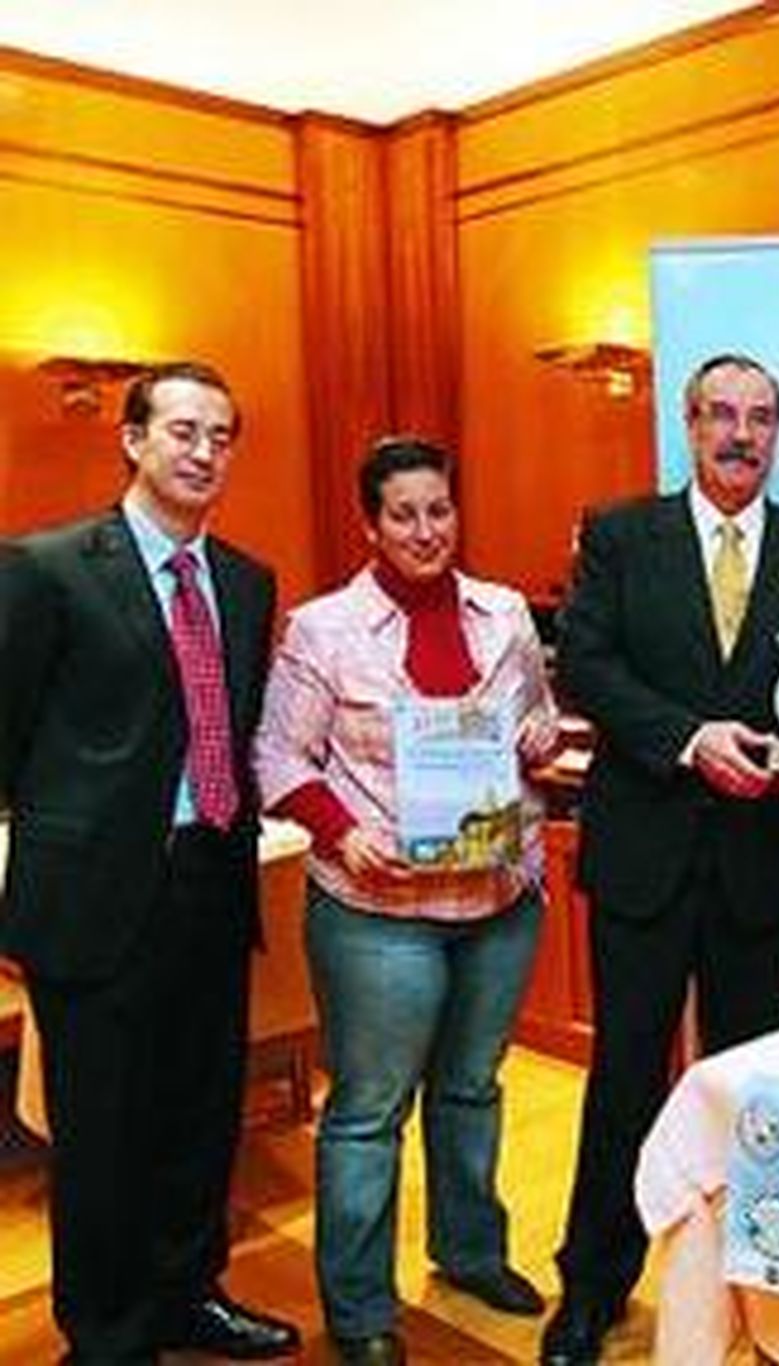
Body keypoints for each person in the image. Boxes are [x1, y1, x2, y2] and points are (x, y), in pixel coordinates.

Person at [541, 354, 779, 1366]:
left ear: (777, 434)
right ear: (688, 422)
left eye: (759, 418)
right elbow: (587, 667)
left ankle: (749, 1298)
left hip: (760, 861)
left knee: (749, 1090)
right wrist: (687, 738)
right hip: (646, 855)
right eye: (721, 413)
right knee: (625, 1079)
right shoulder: (620, 535)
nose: (739, 434)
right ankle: (592, 1288)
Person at [0, 362, 299, 1364]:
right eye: (183, 430)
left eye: (222, 434)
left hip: (212, 879)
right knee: (101, 1133)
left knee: (199, 1115)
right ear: (133, 440)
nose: (204, 451)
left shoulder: (247, 582)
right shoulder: (46, 567)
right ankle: (107, 1333)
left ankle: (187, 1295)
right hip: (93, 895)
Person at [254, 437, 561, 1366]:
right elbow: (278, 755)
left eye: (440, 510)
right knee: (369, 1109)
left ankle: (470, 1254)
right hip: (377, 910)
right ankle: (359, 1310)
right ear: (371, 525)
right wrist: (341, 830)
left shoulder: (504, 614)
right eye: (404, 515)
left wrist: (537, 736)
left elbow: (538, 719)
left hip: (498, 898)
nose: (426, 531)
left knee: (471, 1089)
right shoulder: (323, 629)